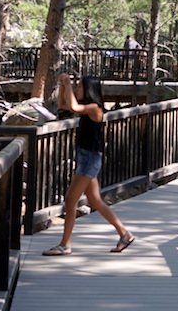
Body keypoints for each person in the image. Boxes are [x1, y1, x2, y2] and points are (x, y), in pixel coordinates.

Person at [43, 73, 136, 256]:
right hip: (87, 158)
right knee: (95, 201)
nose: (77, 89)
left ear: (88, 89)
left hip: (90, 159)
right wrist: (63, 86)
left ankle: (65, 244)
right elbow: (64, 106)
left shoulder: (95, 108)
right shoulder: (87, 106)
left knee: (70, 200)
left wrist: (68, 84)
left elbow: (74, 107)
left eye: (79, 86)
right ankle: (124, 234)